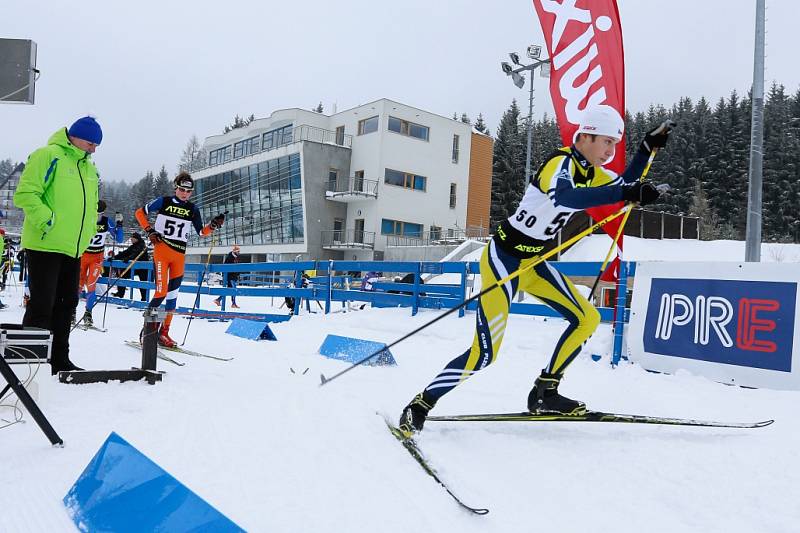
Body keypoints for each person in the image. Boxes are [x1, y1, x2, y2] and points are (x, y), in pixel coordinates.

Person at [398, 105, 674, 435]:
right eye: (605, 142)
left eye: (615, 144)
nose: (610, 151)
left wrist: (646, 150)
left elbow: (626, 183)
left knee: (587, 317)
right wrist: (627, 190)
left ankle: (545, 391)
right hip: (504, 261)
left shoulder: (591, 171)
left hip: (535, 262)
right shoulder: (560, 163)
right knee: (485, 353)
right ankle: (421, 403)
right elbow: (565, 196)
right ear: (584, 137)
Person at [13, 115, 102, 374]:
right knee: (42, 303)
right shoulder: (47, 155)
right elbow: (26, 194)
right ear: (74, 137)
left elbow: (92, 206)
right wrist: (48, 221)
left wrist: (86, 235)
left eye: (97, 145)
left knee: (67, 303)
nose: (93, 149)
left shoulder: (89, 169)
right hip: (45, 244)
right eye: (90, 143)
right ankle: (30, 361)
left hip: (72, 247)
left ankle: (59, 360)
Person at [135, 171, 224, 347]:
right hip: (162, 251)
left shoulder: (193, 209)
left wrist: (213, 225)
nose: (184, 193)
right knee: (160, 292)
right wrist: (149, 230)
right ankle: (147, 330)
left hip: (179, 255)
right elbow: (139, 213)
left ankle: (164, 332)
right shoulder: (164, 201)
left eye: (188, 191)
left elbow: (201, 233)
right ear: (176, 188)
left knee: (173, 296)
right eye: (182, 189)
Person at [78, 200, 123, 326]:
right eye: (96, 213)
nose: (98, 216)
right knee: (78, 284)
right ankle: (71, 312)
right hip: (83, 256)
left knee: (91, 285)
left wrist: (119, 224)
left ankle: (88, 313)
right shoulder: (85, 218)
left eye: (100, 214)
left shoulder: (106, 221)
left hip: (97, 258)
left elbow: (119, 239)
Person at [112, 232, 150, 301]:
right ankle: (120, 293)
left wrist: (129, 258)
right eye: (131, 237)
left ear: (137, 239)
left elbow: (137, 254)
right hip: (134, 267)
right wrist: (114, 257)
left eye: (133, 238)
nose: (131, 239)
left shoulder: (142, 246)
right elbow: (125, 253)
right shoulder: (132, 246)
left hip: (143, 268)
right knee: (122, 275)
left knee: (143, 283)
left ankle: (144, 298)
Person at [213, 244, 241, 308]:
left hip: (233, 277)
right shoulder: (230, 257)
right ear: (234, 251)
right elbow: (226, 267)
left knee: (229, 290)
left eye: (239, 251)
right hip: (230, 277)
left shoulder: (236, 258)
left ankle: (218, 300)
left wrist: (237, 274)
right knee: (234, 290)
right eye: (238, 251)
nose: (239, 253)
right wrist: (226, 277)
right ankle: (233, 304)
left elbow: (237, 267)